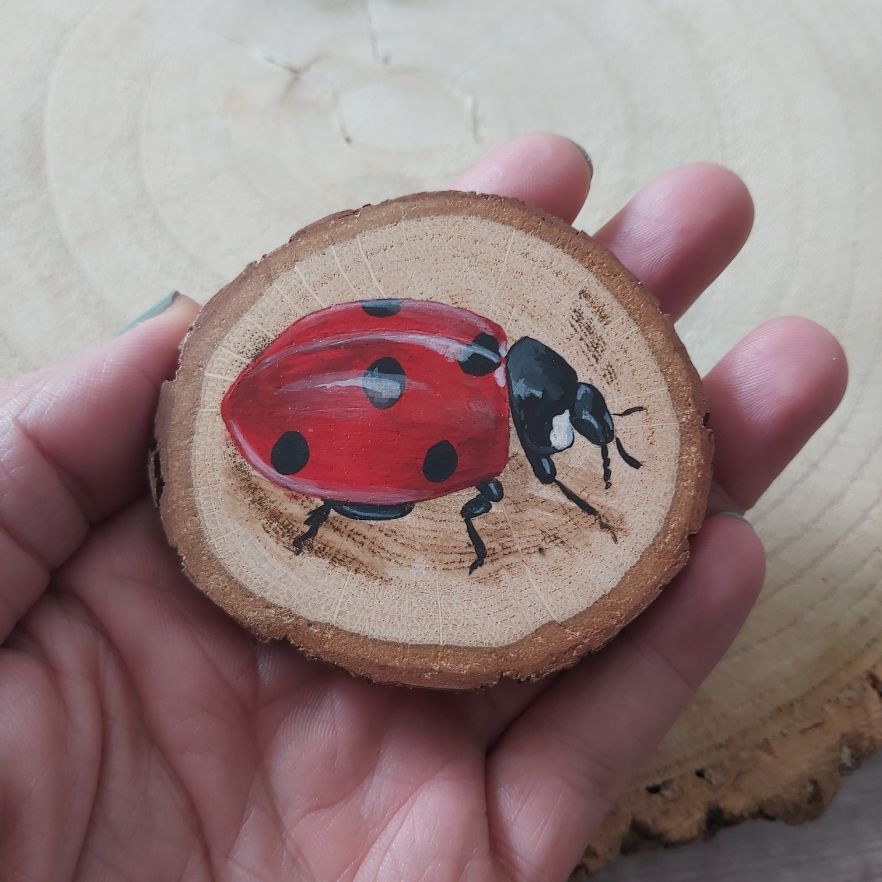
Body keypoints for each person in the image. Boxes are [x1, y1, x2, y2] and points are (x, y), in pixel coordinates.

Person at [0, 133, 847, 881]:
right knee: (397, 497)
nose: (572, 432)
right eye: (579, 420)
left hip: (292, 403)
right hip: (279, 417)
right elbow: (521, 464)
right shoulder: (488, 420)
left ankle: (325, 515)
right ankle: (326, 515)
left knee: (409, 490)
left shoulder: (482, 339)